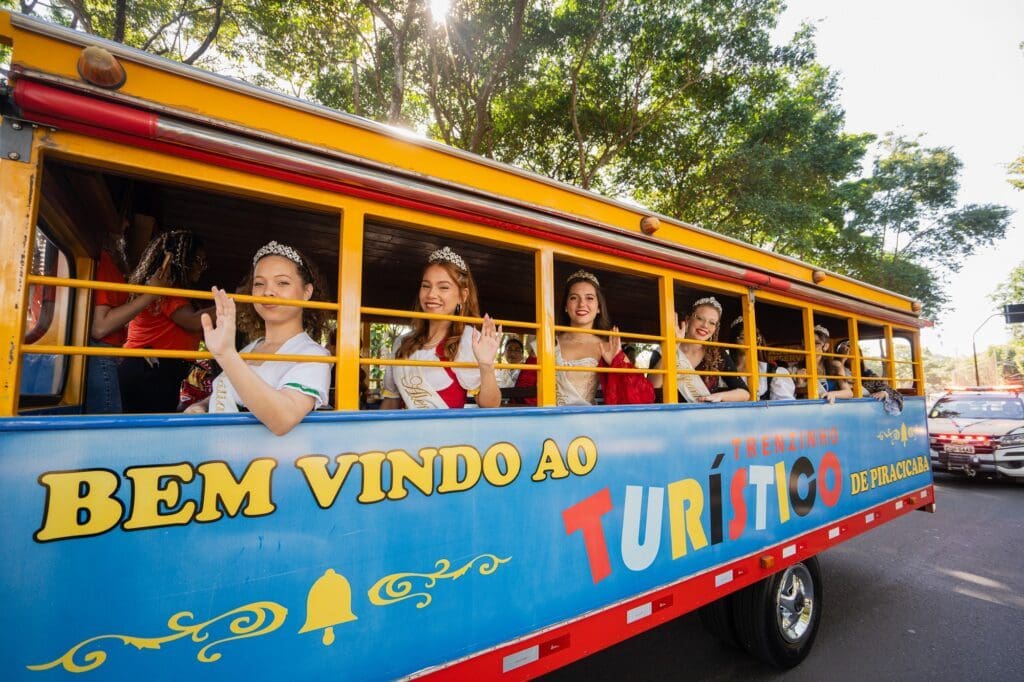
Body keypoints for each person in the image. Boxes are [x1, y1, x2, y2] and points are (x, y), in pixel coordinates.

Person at [185, 241, 331, 435]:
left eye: (282, 282)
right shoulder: (251, 348)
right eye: (259, 283)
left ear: (307, 292)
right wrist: (201, 406)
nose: (268, 291)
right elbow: (230, 392)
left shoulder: (314, 355)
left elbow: (283, 420)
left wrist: (226, 355)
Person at [379, 246, 501, 410]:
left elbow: (490, 405)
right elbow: (391, 402)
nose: (431, 295)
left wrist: (486, 366)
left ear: (462, 295)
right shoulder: (402, 343)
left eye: (443, 287)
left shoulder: (468, 340)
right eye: (426, 286)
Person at [514, 269, 653, 406]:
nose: (581, 304)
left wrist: (618, 362)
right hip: (549, 418)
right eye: (574, 298)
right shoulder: (546, 343)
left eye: (589, 298)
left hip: (588, 418)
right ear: (566, 306)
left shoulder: (606, 347)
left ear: (598, 307)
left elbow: (643, 397)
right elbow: (522, 392)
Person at [118, 230, 211, 413]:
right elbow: (192, 321)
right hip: (148, 370)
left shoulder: (178, 294)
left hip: (161, 371)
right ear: (181, 261)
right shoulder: (166, 289)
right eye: (197, 260)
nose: (201, 267)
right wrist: (232, 304)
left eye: (203, 262)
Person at [85, 231, 168, 413]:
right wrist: (151, 294)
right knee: (107, 421)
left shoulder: (108, 262)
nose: (127, 225)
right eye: (123, 220)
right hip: (101, 354)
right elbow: (100, 327)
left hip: (107, 354)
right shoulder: (103, 260)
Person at [649, 296, 749, 403]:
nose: (705, 325)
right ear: (688, 319)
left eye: (712, 323)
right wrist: (673, 347)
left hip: (703, 413)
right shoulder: (662, 351)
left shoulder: (717, 354)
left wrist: (720, 396)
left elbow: (745, 393)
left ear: (715, 328)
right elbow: (652, 388)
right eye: (700, 318)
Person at [726, 316, 795, 401]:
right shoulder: (723, 370)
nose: (750, 340)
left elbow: (785, 404)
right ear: (734, 339)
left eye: (754, 335)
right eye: (743, 336)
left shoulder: (773, 372)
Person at [835, 339, 903, 413]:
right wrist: (841, 361)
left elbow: (893, 392)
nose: (851, 355)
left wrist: (884, 393)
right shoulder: (834, 371)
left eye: (855, 352)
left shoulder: (869, 376)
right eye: (846, 352)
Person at [801, 325, 853, 403]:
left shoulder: (835, 365)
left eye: (816, 343)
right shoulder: (797, 368)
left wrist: (832, 394)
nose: (809, 346)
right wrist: (799, 383)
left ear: (825, 346)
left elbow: (849, 393)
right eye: (806, 342)